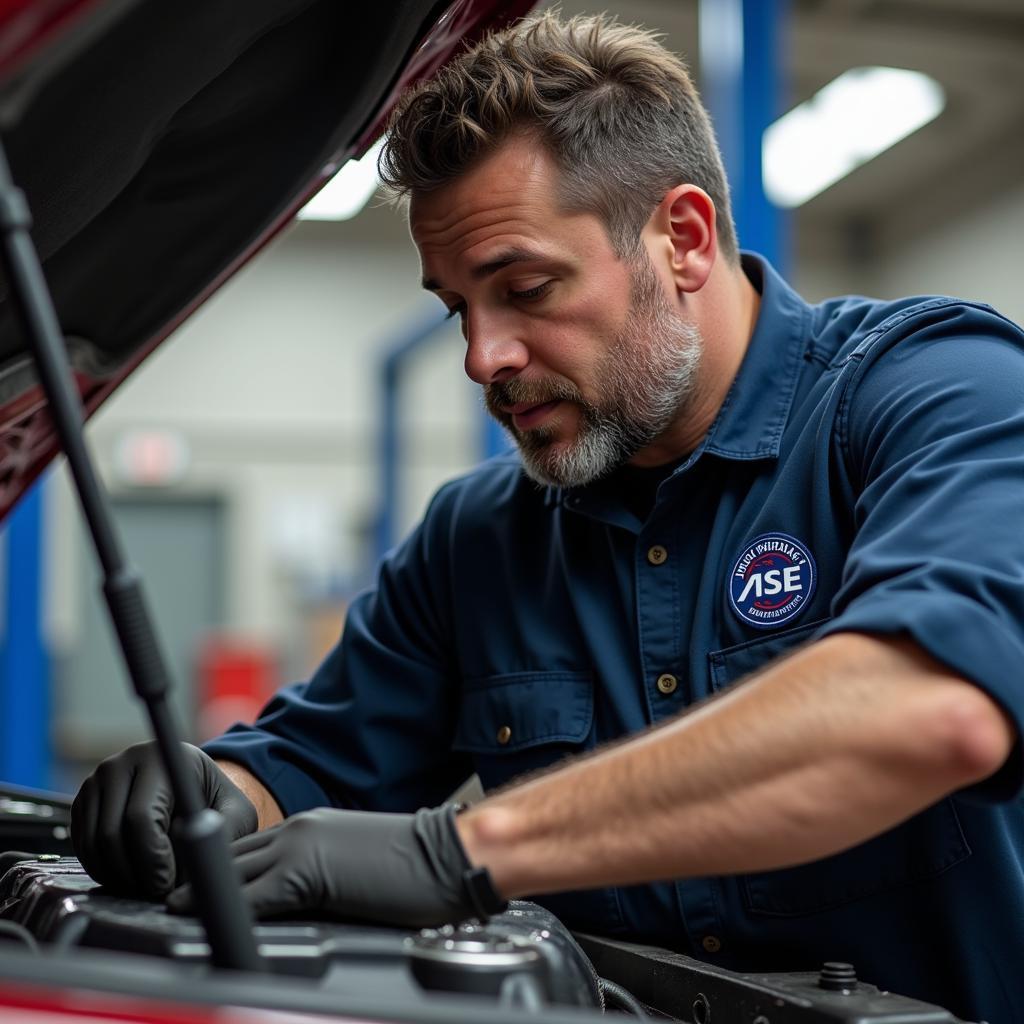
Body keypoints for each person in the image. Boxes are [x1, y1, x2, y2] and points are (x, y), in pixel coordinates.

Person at [72, 12, 1024, 1022]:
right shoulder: (478, 541)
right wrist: (210, 792)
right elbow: (311, 764)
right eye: (457, 309)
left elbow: (929, 706)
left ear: (684, 239)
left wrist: (463, 851)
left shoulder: (936, 392)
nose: (484, 358)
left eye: (526, 289)